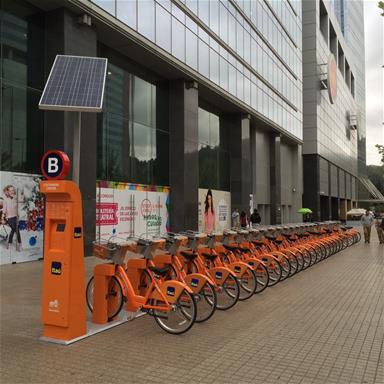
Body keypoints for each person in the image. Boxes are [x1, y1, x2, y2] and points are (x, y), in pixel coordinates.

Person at [2, 185, 21, 251]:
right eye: (11, 190)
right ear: (8, 192)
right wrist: (2, 218)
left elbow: (16, 208)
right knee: (14, 229)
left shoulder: (15, 199)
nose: (12, 191)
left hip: (15, 217)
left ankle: (15, 244)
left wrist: (18, 215)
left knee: (15, 230)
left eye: (13, 190)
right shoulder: (5, 200)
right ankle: (18, 243)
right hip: (9, 218)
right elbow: (4, 210)